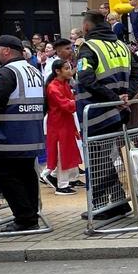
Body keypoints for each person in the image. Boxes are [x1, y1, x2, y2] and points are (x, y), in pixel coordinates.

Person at [75, 9, 138, 216]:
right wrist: (125, 96)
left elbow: (85, 78)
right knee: (105, 160)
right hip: (118, 112)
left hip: (96, 113)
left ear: (86, 26)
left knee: (97, 161)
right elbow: (137, 74)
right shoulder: (121, 45)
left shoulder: (89, 47)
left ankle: (102, 206)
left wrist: (113, 99)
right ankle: (119, 202)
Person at [0, 35, 47, 231]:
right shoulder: (33, 71)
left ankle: (24, 218)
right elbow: (45, 103)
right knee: (27, 176)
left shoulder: (6, 73)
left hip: (7, 137)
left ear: (6, 50)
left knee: (6, 176)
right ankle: (30, 215)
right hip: (29, 134)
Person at [44, 59, 83, 194]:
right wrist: (78, 102)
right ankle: (61, 184)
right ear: (57, 71)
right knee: (62, 154)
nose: (69, 71)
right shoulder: (53, 87)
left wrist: (74, 101)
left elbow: (69, 103)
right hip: (58, 125)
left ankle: (54, 176)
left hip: (65, 123)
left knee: (67, 153)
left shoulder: (63, 84)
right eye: (66, 68)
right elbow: (67, 105)